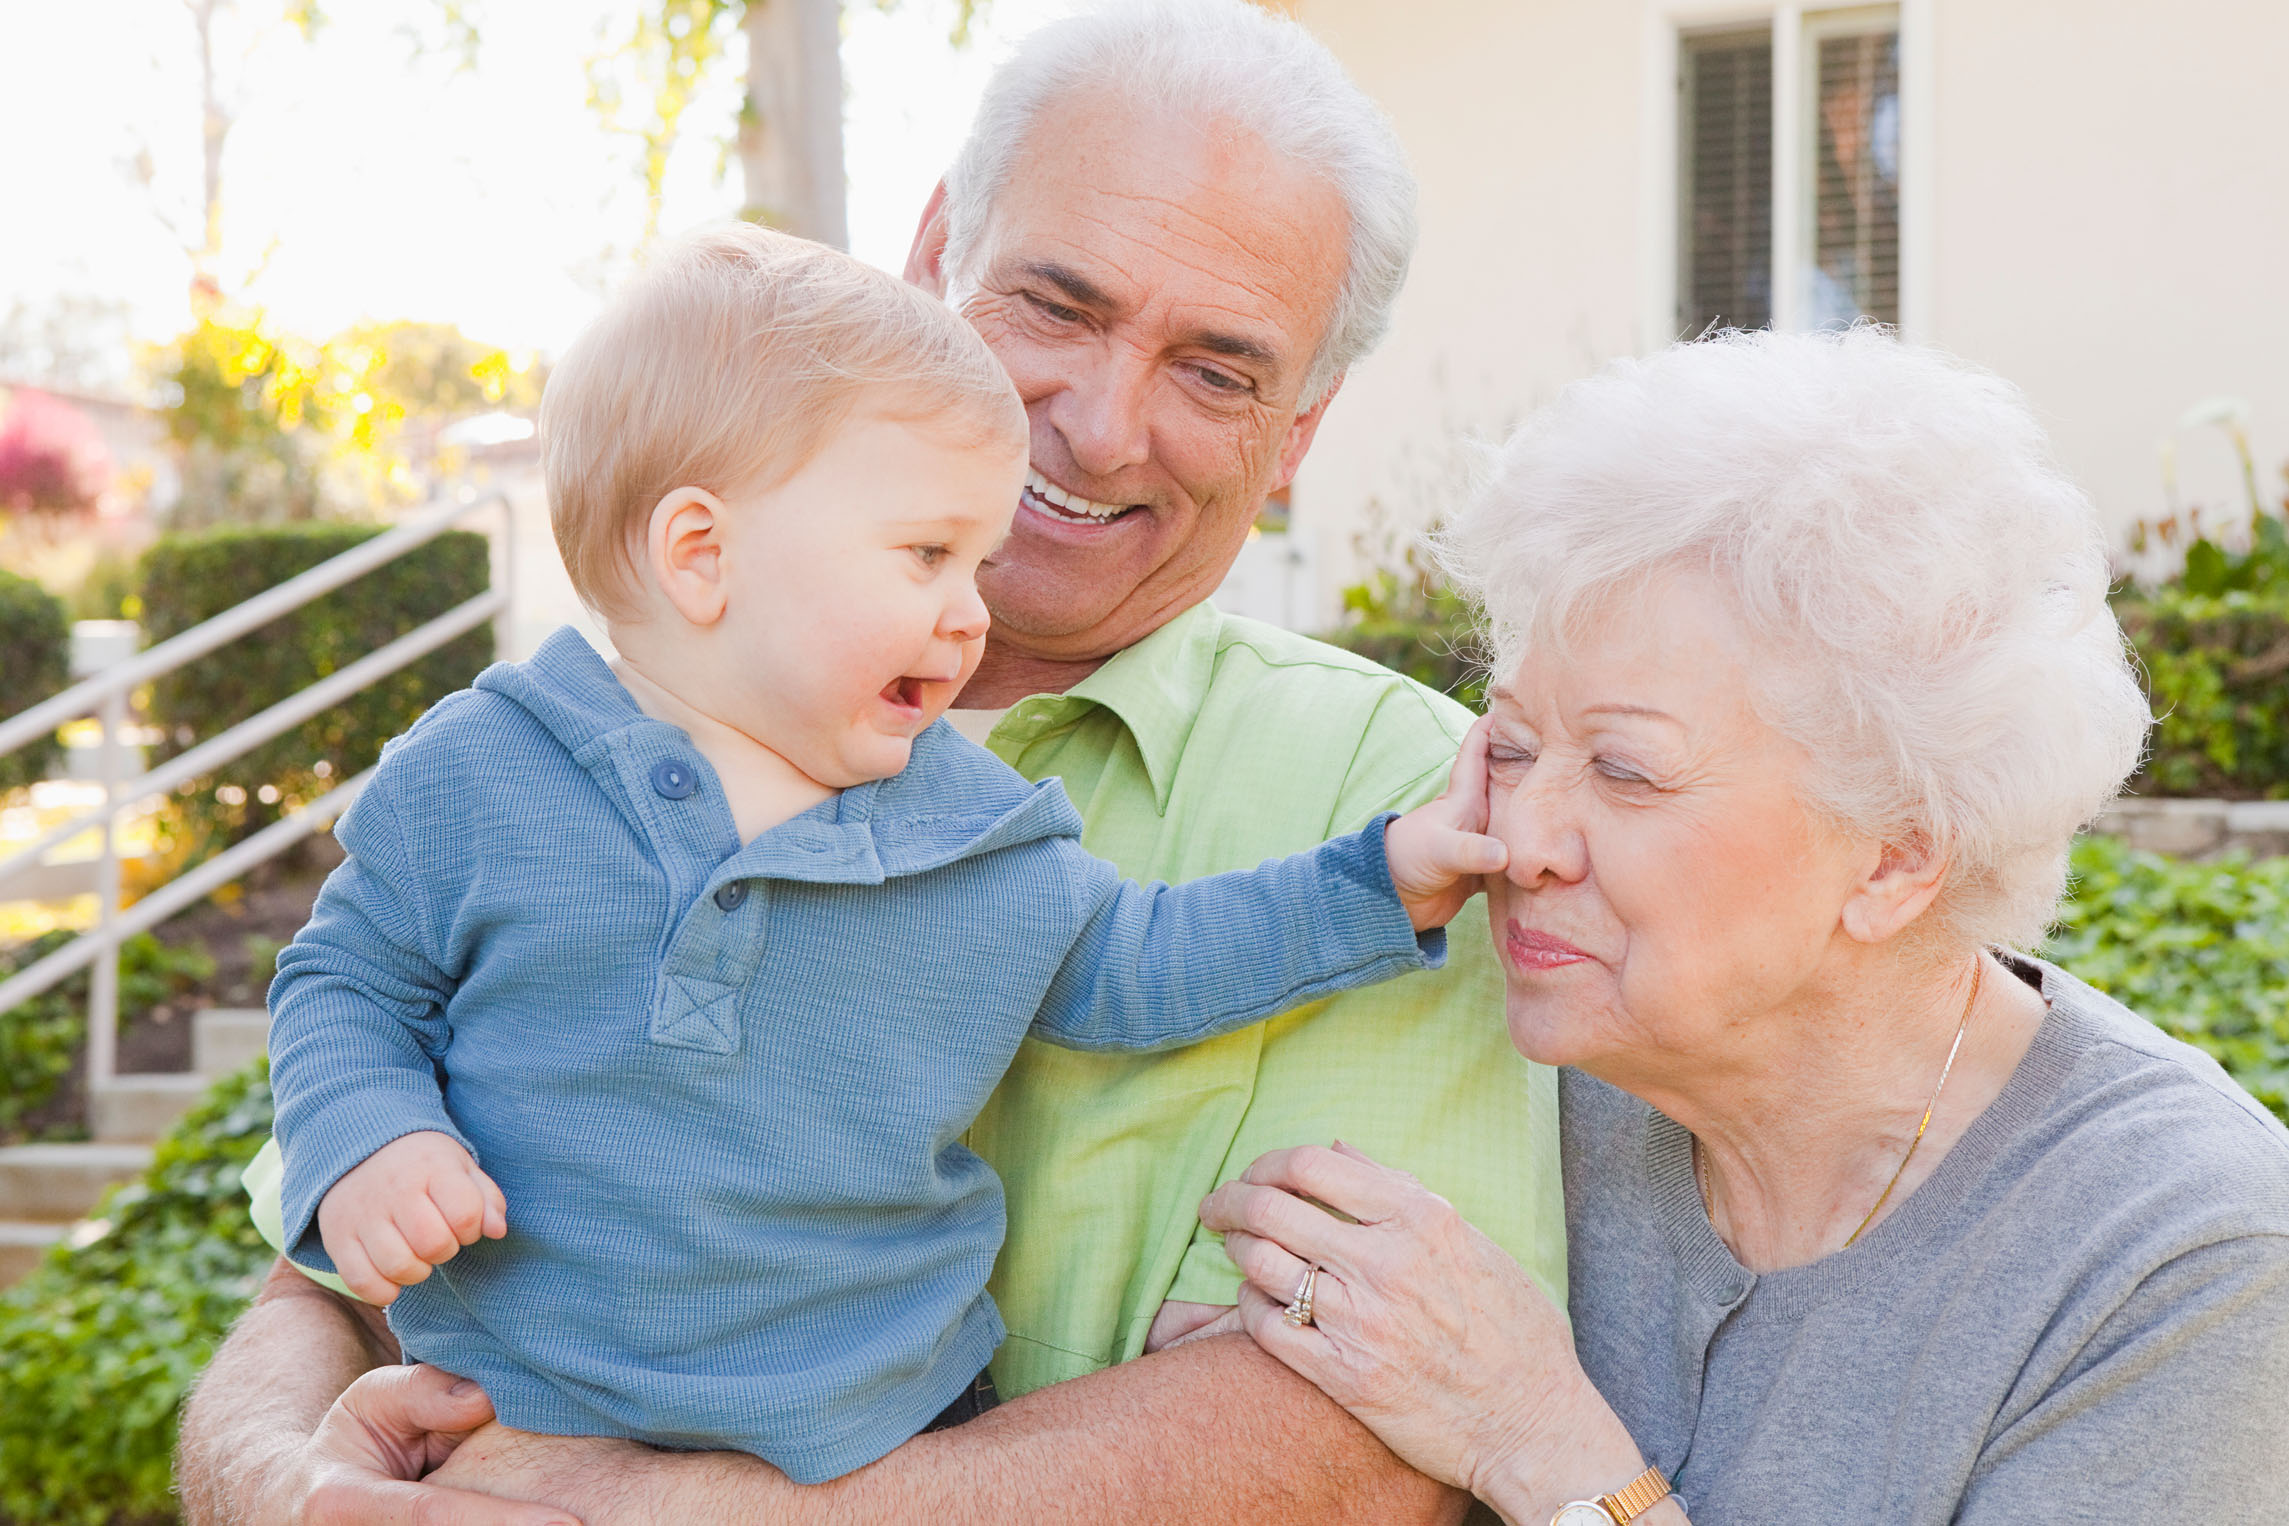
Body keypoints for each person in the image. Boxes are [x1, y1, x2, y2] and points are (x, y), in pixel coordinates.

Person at [175, 3, 1559, 1520]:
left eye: (1219, 371)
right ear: (933, 252)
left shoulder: (1387, 786)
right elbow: (319, 1275)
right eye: (1055, 303)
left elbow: (1355, 1440)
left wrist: (629, 1507)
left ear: (1300, 432)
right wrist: (283, 1489)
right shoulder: (515, 756)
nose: (1098, 429)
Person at [1198, 327, 2289, 1523]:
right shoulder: (1499, 1037)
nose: (1522, 838)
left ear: (1894, 856)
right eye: (1511, 744)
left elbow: (1505, 1417)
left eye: (1625, 769)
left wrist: (1541, 1442)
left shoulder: (2181, 1250)